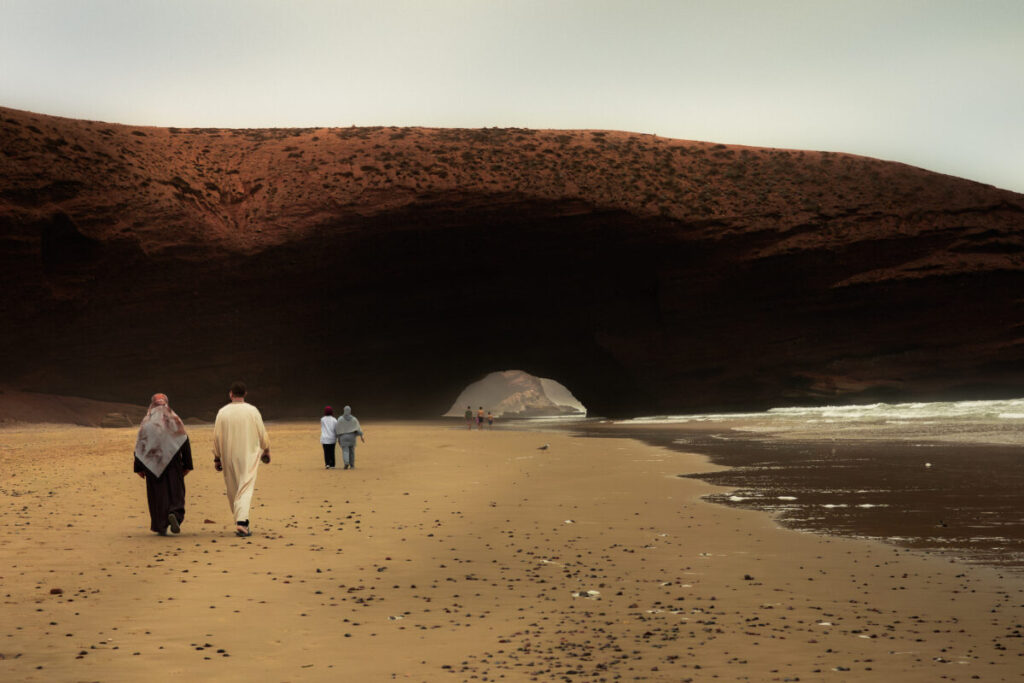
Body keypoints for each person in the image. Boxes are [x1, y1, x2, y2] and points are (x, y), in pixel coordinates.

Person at [212, 381, 271, 537]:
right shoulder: (252, 411)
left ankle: (241, 519)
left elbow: (216, 436)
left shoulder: (222, 412)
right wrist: (266, 449)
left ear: (231, 394)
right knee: (245, 486)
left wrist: (217, 457)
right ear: (245, 394)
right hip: (248, 454)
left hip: (228, 454)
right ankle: (242, 522)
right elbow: (262, 432)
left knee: (232, 488)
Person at [133, 393, 193, 536]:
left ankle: (161, 525)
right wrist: (187, 464)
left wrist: (138, 467)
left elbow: (140, 445)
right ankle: (175, 514)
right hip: (174, 463)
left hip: (151, 464)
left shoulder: (147, 422)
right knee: (176, 492)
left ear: (152, 404)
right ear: (167, 403)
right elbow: (184, 441)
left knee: (158, 495)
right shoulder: (175, 419)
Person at [334, 405, 365, 469]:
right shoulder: (354, 419)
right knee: (352, 452)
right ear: (350, 411)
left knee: (345, 451)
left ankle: (346, 462)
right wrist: (361, 436)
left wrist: (337, 437)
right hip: (352, 437)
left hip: (343, 438)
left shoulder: (340, 419)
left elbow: (337, 429)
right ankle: (352, 465)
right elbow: (358, 429)